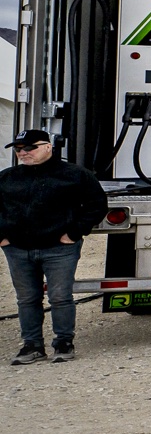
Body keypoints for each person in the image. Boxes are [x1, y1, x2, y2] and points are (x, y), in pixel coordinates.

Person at [0, 130, 109, 364]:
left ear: (48, 147)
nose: (23, 153)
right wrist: (2, 237)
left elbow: (97, 205)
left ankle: (63, 342)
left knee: (60, 297)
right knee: (27, 298)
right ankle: (32, 346)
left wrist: (74, 232)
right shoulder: (7, 178)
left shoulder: (75, 175)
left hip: (60, 249)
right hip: (18, 249)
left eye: (30, 148)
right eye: (18, 149)